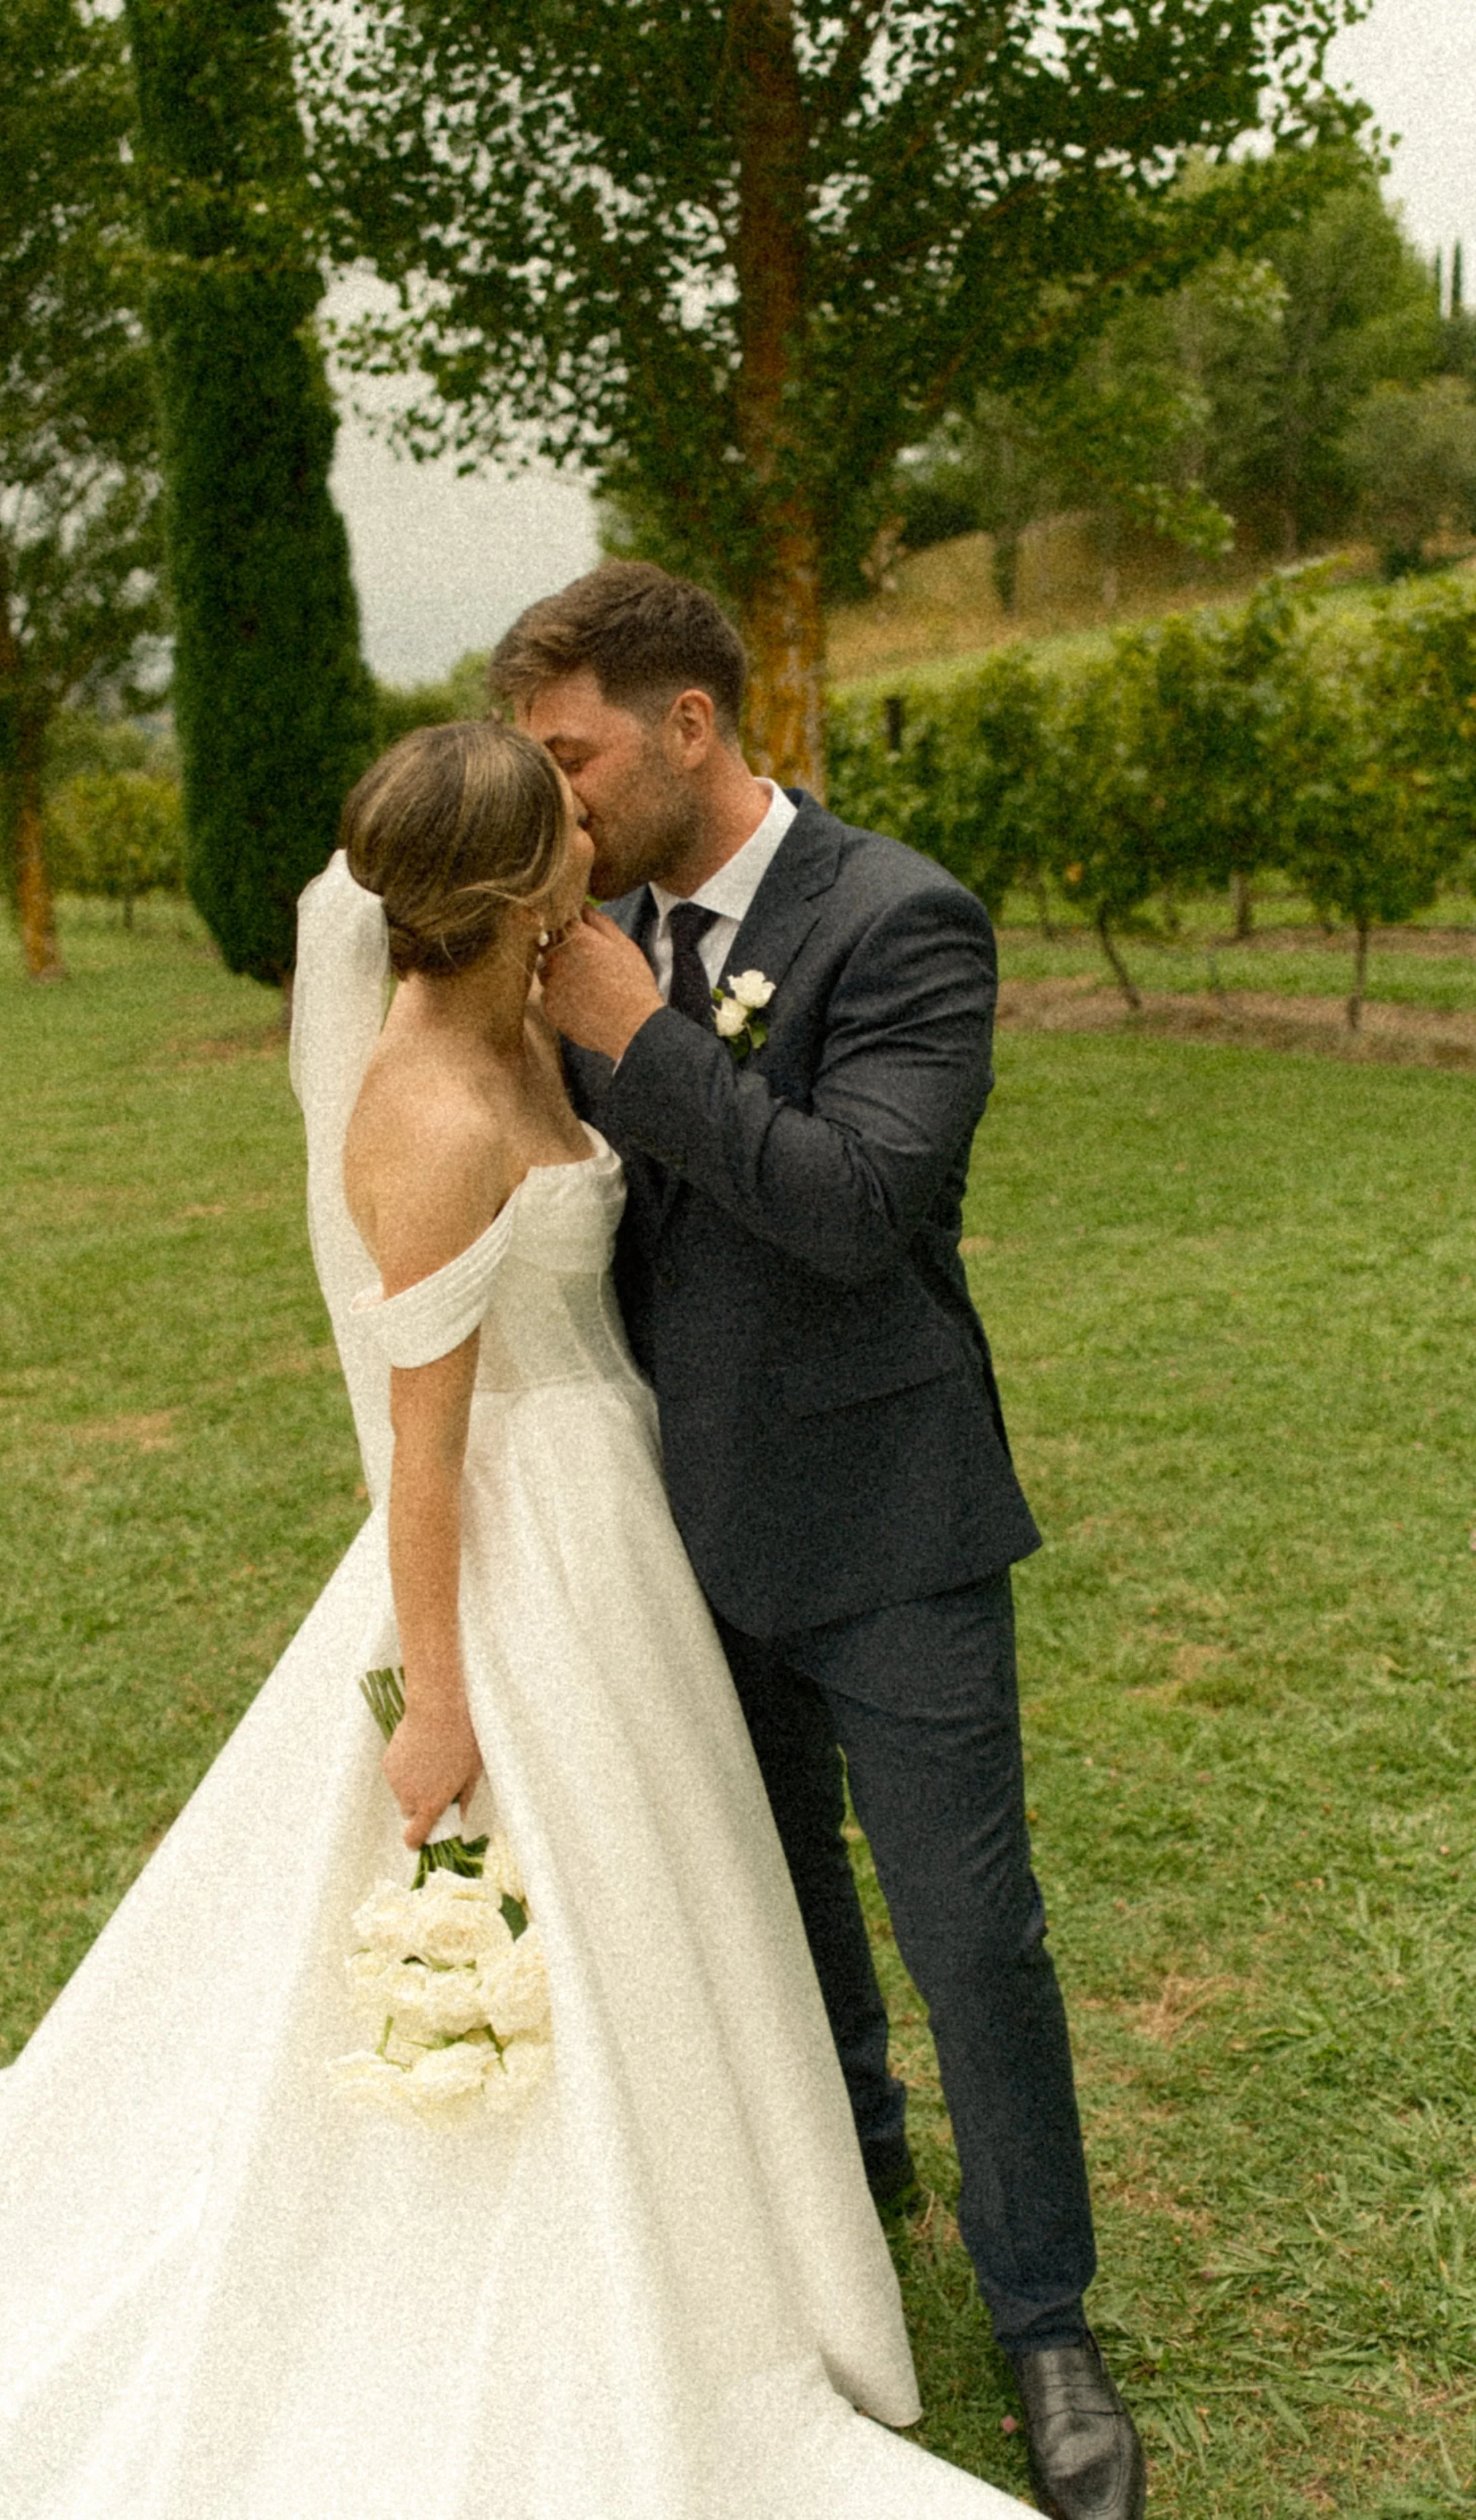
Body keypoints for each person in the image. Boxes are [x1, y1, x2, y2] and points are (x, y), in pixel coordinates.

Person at [0, 718, 1027, 2517]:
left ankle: (742, 2236)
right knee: (569, 1889)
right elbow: (424, 1459)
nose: (590, 844)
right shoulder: (428, 1105)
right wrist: (436, 1700)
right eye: (563, 836)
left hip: (625, 1525)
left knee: (676, 1882)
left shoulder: (529, 1024)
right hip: (517, 1546)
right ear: (521, 883)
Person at [491, 562, 1147, 2520]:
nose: (562, 799)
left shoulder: (899, 917)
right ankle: (838, 2198)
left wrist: (643, 1029)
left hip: (888, 1513)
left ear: (689, 723)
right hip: (674, 1529)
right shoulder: (587, 922)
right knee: (772, 1913)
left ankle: (1043, 2322)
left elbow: (860, 1205)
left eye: (577, 754)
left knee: (971, 1936)